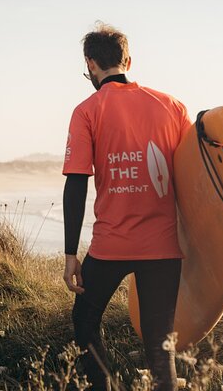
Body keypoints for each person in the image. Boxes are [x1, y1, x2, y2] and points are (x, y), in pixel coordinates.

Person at [62, 24, 191, 391]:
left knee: (85, 321)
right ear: (128, 60)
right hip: (164, 247)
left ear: (90, 64)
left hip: (111, 246)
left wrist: (71, 254)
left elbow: (76, 182)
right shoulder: (172, 106)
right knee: (159, 343)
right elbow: (190, 178)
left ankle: (103, 385)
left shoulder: (87, 111)